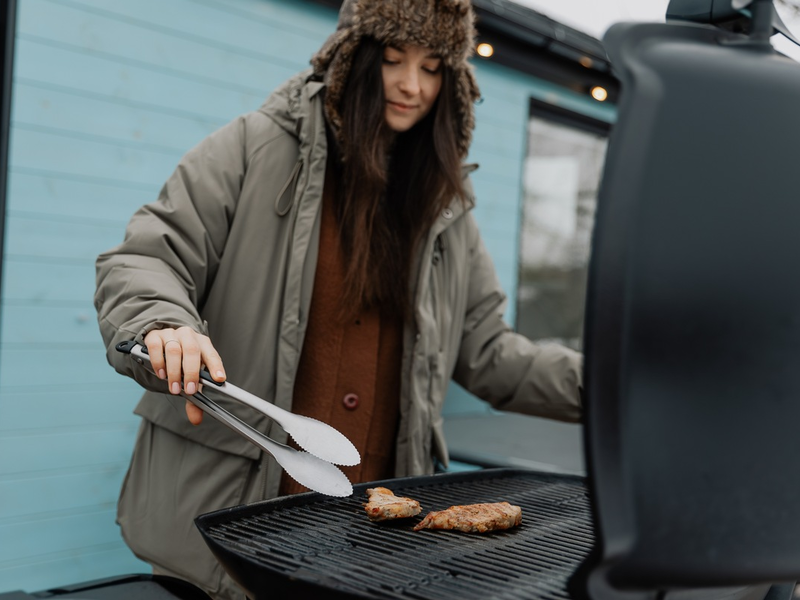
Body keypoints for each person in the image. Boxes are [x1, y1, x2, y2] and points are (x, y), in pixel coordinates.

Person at [94, 0, 583, 597]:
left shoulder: (444, 205)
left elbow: (490, 353)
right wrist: (163, 325)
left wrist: (614, 388)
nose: (412, 85)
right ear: (353, 57)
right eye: (394, 59)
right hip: (230, 538)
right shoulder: (254, 146)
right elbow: (147, 257)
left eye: (432, 68)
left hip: (374, 551)